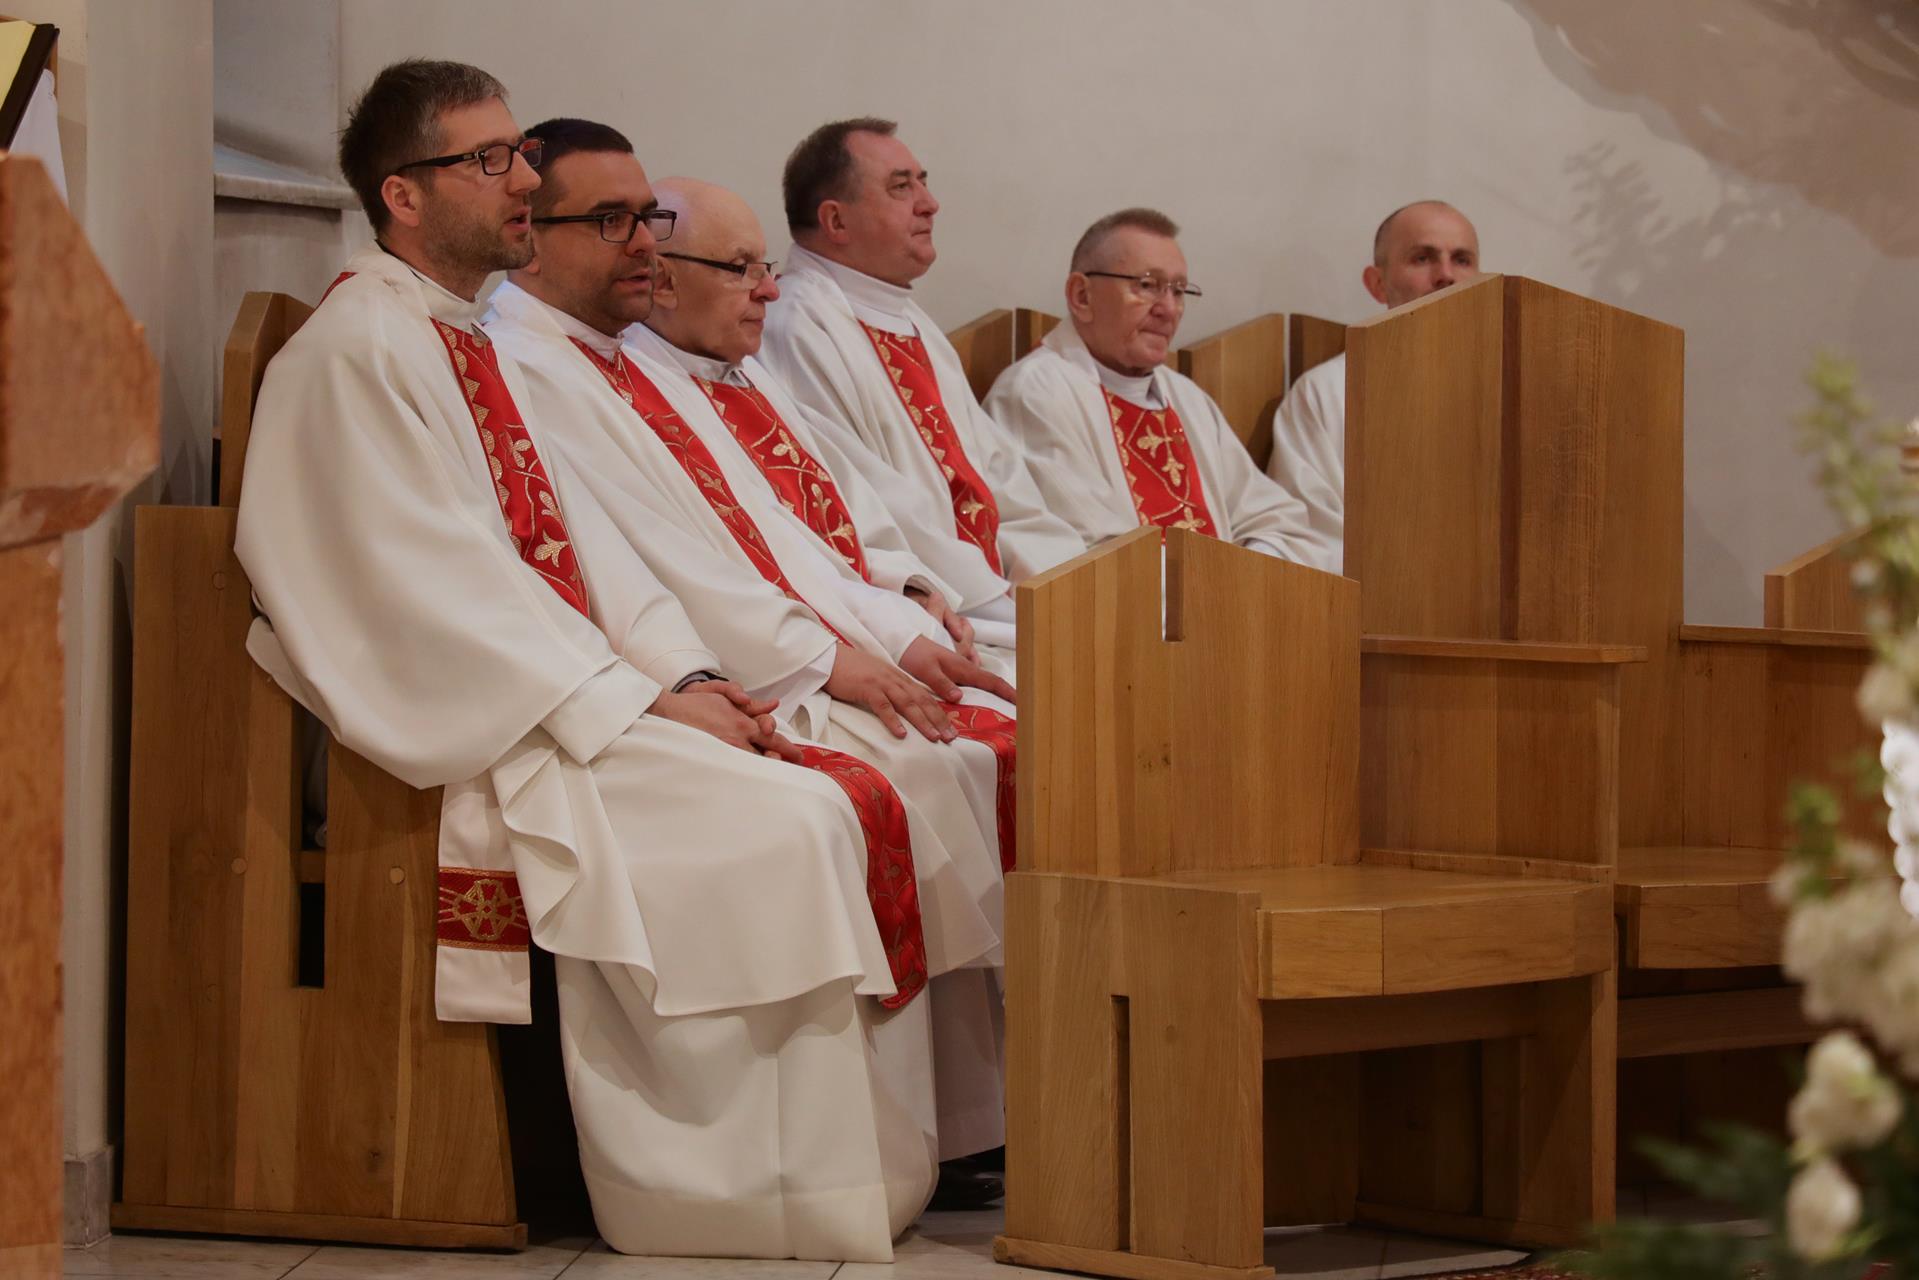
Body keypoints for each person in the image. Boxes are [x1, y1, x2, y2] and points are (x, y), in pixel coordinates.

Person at [235, 62, 949, 1260]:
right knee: (788, 823)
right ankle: (719, 1193)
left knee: (821, 800)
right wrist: (630, 701)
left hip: (566, 693)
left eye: (517, 153)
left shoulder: (460, 335)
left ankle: (837, 1182)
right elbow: (425, 598)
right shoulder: (356, 350)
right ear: (403, 195)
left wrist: (681, 678)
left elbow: (585, 546)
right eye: (487, 160)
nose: (519, 178)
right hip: (486, 726)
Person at [483, 120, 1016, 1202]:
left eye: (643, 221)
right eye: (615, 222)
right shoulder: (533, 359)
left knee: (960, 754)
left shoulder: (612, 359)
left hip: (723, 655)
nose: (639, 246)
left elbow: (775, 533)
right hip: (639, 682)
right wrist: (811, 659)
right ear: (531, 235)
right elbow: (658, 557)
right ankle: (879, 1146)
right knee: (905, 774)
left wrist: (888, 620)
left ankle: (956, 1120)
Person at [760, 117, 1086, 641]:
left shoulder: (913, 322)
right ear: (836, 221)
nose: (930, 204)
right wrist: (995, 602)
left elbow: (996, 479)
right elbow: (861, 499)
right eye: (901, 187)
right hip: (924, 612)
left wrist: (1067, 580)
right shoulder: (795, 326)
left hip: (990, 598)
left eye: (923, 182)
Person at [984, 207, 1322, 564]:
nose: (1169, 309)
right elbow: (1086, 551)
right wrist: (1214, 583)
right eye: (1147, 285)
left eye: (1179, 291)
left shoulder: (1187, 398)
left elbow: (1278, 521)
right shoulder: (1037, 393)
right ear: (1082, 296)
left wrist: (1252, 569)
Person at [1265, 200, 1482, 568]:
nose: (1446, 275)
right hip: (1379, 597)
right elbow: (1312, 536)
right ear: (1377, 284)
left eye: (1462, 260)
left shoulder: (1518, 389)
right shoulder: (1326, 394)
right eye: (1422, 258)